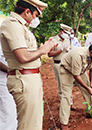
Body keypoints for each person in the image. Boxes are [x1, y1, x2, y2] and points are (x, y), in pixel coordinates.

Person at [0, 0, 57, 129]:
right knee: (28, 125)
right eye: (36, 15)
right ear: (27, 12)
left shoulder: (22, 27)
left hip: (30, 78)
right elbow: (23, 56)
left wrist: (43, 49)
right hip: (23, 80)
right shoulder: (12, 25)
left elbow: (28, 53)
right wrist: (42, 50)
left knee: (34, 121)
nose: (35, 19)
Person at [59, 41, 92, 130]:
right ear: (91, 52)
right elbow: (75, 76)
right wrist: (87, 88)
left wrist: (91, 84)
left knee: (89, 92)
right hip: (67, 71)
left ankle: (90, 111)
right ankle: (64, 123)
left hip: (80, 71)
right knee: (66, 95)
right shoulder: (78, 54)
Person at [48, 24, 76, 110]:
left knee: (68, 84)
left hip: (67, 65)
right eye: (66, 33)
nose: (68, 35)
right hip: (58, 64)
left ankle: (70, 103)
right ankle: (63, 104)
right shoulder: (53, 40)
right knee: (61, 85)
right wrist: (61, 50)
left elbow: (72, 51)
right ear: (61, 31)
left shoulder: (68, 40)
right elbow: (49, 54)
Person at [0, 41, 18, 130]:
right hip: (3, 78)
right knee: (7, 108)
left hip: (12, 76)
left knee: (13, 107)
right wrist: (10, 70)